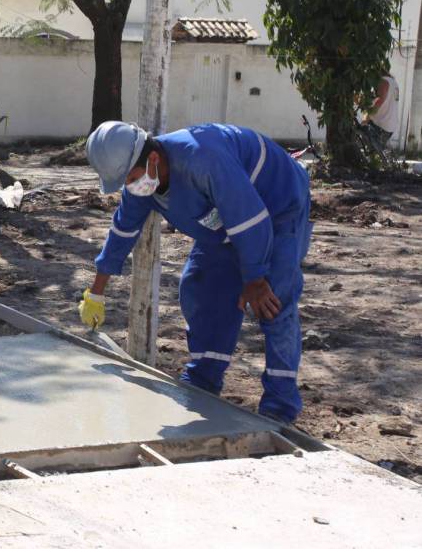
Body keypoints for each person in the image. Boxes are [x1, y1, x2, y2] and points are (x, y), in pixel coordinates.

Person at [78, 121, 312, 424]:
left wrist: (254, 279)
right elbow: (123, 231)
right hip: (226, 222)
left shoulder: (204, 160)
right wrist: (96, 293)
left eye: (131, 179)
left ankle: (280, 407)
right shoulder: (143, 180)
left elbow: (250, 220)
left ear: (153, 159)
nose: (130, 187)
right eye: (125, 182)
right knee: (203, 288)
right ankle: (204, 379)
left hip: (278, 205)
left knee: (272, 300)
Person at [362, 73, 399, 148]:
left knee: (361, 133)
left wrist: (366, 118)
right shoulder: (394, 83)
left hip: (380, 125)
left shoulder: (383, 81)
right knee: (374, 150)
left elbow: (379, 101)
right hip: (390, 126)